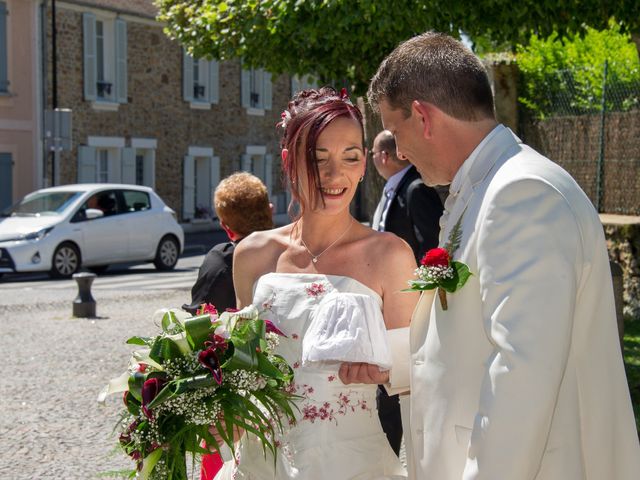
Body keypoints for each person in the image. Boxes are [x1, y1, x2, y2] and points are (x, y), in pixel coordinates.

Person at [340, 31, 640, 479]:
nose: (398, 152)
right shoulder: (485, 188)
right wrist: (391, 358)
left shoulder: (521, 193)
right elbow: (475, 330)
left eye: (396, 132)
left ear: (423, 116)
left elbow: (523, 372)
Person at [214, 87, 419, 479]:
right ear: (290, 162)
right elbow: (243, 371)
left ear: (363, 166)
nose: (334, 175)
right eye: (318, 157)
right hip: (260, 463)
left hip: (352, 464)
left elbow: (419, 373)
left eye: (350, 157)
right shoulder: (252, 254)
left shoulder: (389, 256)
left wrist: (385, 372)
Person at [370, 129, 444, 456]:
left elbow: (432, 248)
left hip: (410, 307)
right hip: (388, 303)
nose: (372, 160)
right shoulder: (394, 189)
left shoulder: (415, 189)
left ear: (385, 156)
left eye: (371, 153)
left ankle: (391, 455)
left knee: (397, 388)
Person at [182, 172, 274, 315]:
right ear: (271, 210)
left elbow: (199, 319)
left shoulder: (221, 260)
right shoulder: (295, 253)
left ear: (226, 228)